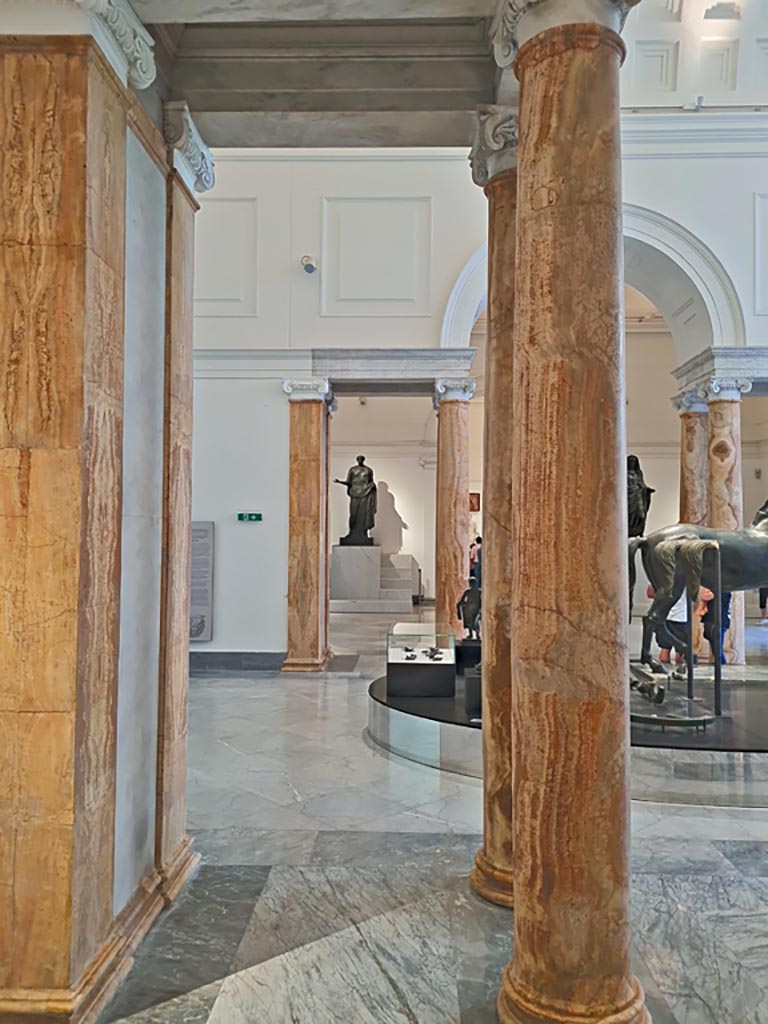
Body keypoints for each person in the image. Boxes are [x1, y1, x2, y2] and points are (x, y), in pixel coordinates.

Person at [703, 591, 732, 665]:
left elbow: (706, 596)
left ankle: (722, 666)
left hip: (720, 623)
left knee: (717, 651)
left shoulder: (723, 592)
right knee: (715, 650)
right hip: (713, 622)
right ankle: (720, 666)